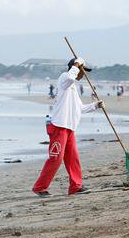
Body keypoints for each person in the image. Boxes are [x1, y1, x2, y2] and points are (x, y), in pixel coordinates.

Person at [32, 58, 103, 196]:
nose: (84, 74)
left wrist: (95, 105)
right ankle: (39, 187)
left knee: (73, 158)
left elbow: (80, 108)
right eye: (83, 70)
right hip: (59, 126)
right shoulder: (65, 78)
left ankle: (75, 187)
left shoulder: (73, 87)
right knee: (56, 158)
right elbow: (71, 77)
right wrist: (77, 65)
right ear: (75, 68)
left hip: (69, 128)